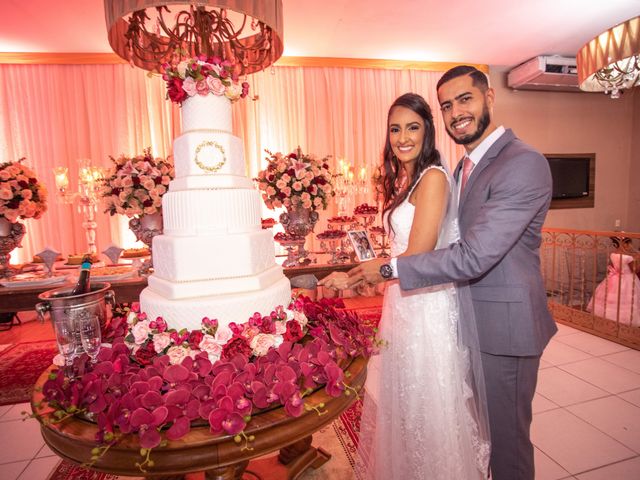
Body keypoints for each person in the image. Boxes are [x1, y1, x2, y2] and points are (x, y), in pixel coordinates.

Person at [342, 66, 558, 480]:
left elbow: (474, 256)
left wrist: (387, 267)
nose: (456, 111)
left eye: (465, 99)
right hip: (462, 321)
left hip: (505, 329)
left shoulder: (523, 163)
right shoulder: (462, 168)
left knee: (507, 446)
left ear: (489, 98)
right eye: (447, 104)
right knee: (476, 438)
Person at [321, 92, 491, 479]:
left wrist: (366, 273)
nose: (402, 137)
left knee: (428, 402)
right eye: (395, 129)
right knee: (408, 401)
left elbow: (417, 256)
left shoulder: (432, 178)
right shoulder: (409, 178)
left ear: (428, 131)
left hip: (426, 307)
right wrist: (357, 273)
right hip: (404, 299)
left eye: (412, 127)